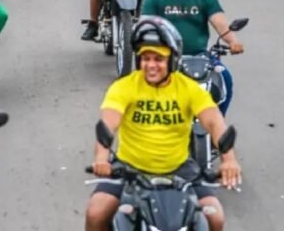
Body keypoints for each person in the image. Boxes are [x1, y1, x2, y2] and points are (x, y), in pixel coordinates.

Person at [84, 16, 242, 231]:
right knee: (96, 211)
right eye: (145, 58)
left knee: (215, 216)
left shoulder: (188, 88)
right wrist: (102, 159)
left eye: (158, 58)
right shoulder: (124, 87)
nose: (151, 65)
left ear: (172, 59)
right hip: (129, 168)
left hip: (180, 170)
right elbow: (108, 124)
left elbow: (214, 121)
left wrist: (229, 160)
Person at [141, 0, 245, 114]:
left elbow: (220, 23)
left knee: (224, 77)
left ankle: (216, 124)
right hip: (165, 58)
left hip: (200, 57)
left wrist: (233, 41)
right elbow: (145, 27)